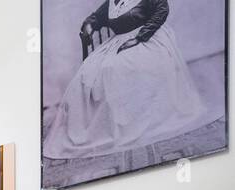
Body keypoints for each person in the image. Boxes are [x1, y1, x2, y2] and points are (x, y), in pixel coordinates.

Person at [45, 0, 208, 160]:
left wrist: (139, 38)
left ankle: (127, 124)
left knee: (114, 68)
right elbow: (96, 18)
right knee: (87, 72)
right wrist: (89, 24)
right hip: (117, 42)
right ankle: (94, 126)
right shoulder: (113, 2)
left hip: (147, 40)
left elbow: (161, 10)